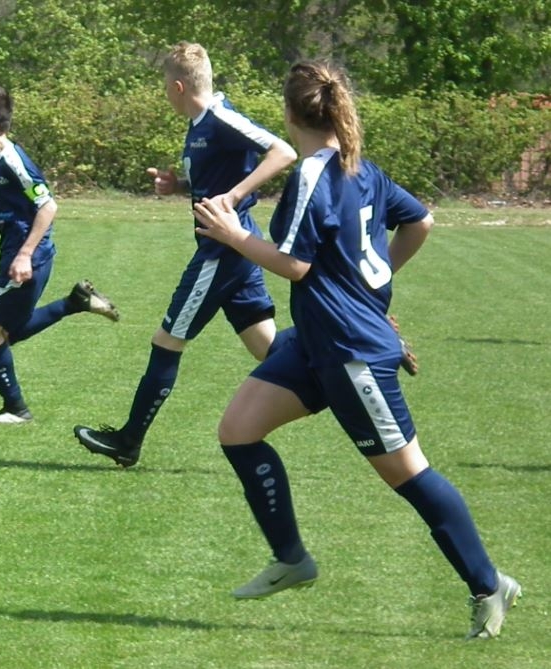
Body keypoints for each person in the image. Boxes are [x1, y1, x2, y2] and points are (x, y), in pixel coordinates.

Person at [191, 60, 519, 640]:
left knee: (409, 474)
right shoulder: (359, 166)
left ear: (289, 113)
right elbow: (420, 223)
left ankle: (488, 583)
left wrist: (233, 234)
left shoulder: (314, 173)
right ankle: (291, 559)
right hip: (316, 340)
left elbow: (295, 265)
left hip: (349, 351)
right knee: (238, 430)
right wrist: (368, 290)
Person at [73, 41, 297, 465]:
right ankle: (352, 346)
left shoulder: (219, 117)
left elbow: (283, 152)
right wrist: (177, 186)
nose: (165, 94)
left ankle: (128, 442)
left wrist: (233, 197)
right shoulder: (199, 125)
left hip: (221, 251)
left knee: (167, 341)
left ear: (178, 87)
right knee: (267, 347)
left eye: (164, 87)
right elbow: (216, 176)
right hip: (232, 249)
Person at [0, 85, 120, 423]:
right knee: (5, 333)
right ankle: (75, 302)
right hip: (13, 253)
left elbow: (48, 206)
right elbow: (0, 212)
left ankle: (16, 409)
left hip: (29, 257)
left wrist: (25, 255)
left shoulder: (13, 160)